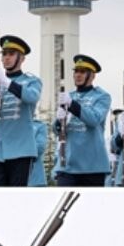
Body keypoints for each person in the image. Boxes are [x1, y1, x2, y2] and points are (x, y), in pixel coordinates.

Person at [0, 35, 42, 186]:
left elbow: (31, 97)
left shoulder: (31, 81)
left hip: (21, 150)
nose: (6, 58)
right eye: (4, 54)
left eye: (11, 54)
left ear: (21, 58)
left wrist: (6, 82)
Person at [52, 54, 112, 186]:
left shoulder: (102, 96)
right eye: (76, 71)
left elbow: (94, 119)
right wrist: (59, 120)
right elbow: (57, 131)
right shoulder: (69, 96)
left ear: (92, 75)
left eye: (83, 72)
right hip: (68, 163)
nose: (78, 75)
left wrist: (72, 105)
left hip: (92, 165)